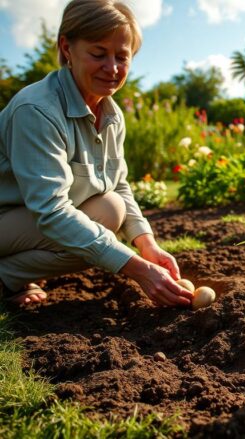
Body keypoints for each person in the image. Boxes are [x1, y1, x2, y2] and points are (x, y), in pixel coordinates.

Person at [0, 0, 193, 307]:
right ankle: (6, 278)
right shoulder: (37, 110)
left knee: (110, 209)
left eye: (122, 56)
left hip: (25, 221)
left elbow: (118, 185)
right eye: (99, 54)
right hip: (7, 216)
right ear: (67, 48)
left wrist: (147, 244)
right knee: (99, 233)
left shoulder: (111, 115)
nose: (112, 67)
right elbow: (51, 211)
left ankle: (8, 275)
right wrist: (137, 269)